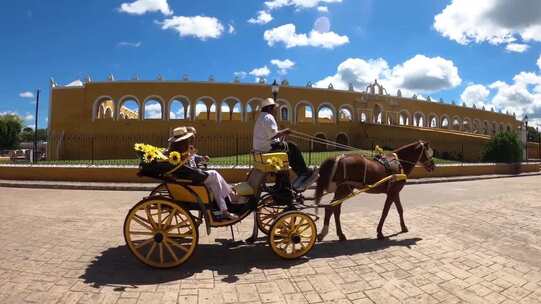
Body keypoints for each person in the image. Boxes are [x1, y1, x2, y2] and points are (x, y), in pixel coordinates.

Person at [168, 127, 238, 220]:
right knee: (214, 175)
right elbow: (184, 167)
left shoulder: (180, 149)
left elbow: (189, 163)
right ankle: (227, 202)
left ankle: (227, 202)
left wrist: (192, 157)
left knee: (215, 179)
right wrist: (190, 158)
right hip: (190, 178)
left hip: (191, 175)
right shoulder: (177, 153)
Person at [253, 98, 318, 188]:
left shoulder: (261, 117)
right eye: (274, 108)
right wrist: (285, 131)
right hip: (268, 150)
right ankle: (303, 172)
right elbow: (273, 134)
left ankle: (295, 175)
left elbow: (270, 135)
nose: (276, 111)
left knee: (287, 148)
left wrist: (282, 135)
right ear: (269, 108)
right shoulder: (268, 117)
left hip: (261, 150)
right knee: (292, 147)